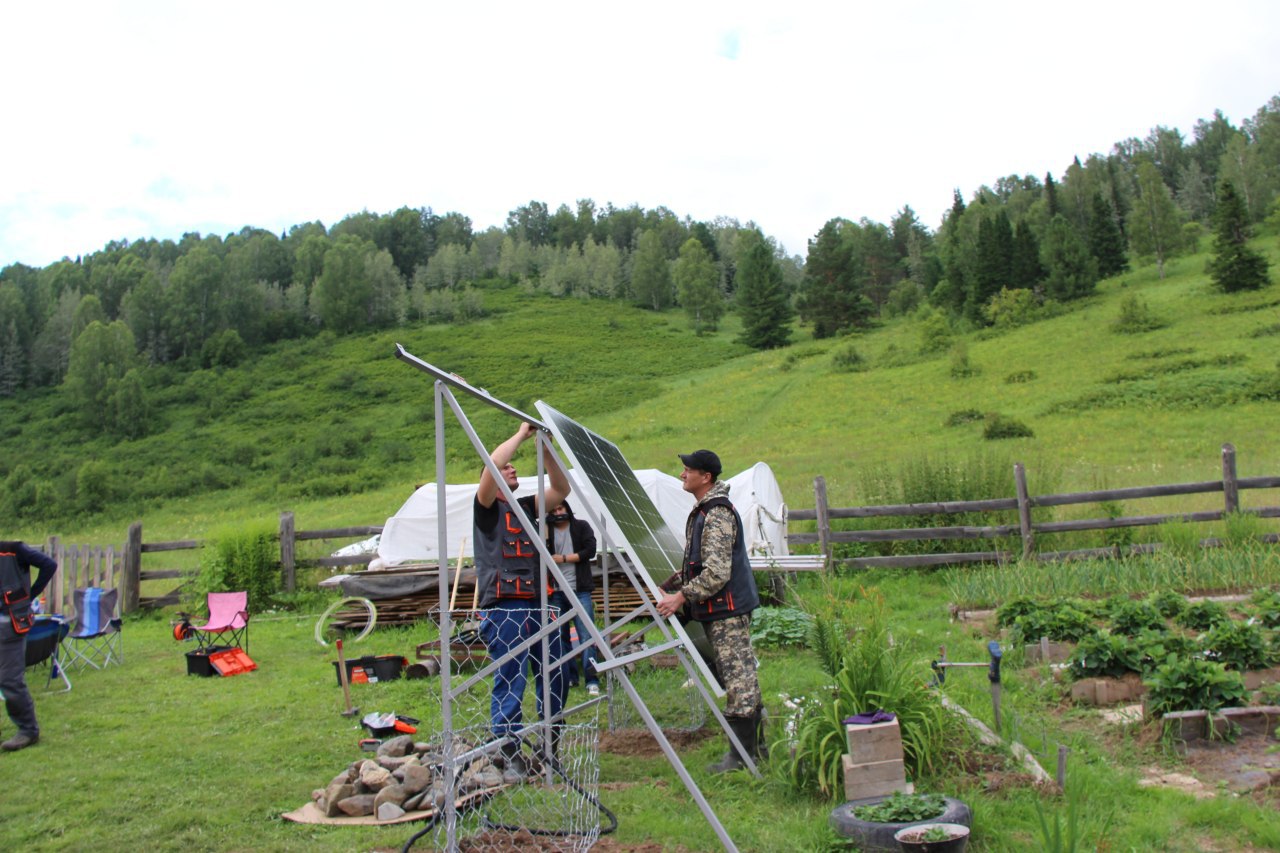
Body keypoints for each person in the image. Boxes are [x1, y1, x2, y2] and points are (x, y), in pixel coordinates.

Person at [656, 449, 763, 773]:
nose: (681, 475)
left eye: (688, 470)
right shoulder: (707, 509)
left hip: (727, 610)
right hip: (724, 608)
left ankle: (742, 759)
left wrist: (681, 597)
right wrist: (679, 581)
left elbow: (717, 572)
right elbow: (705, 564)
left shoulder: (716, 513)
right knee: (740, 676)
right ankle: (754, 752)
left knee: (738, 679)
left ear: (706, 477)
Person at [473, 422, 569, 778]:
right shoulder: (485, 507)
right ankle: (509, 751)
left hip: (540, 600)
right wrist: (520, 434)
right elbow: (491, 463)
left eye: (512, 465)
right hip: (506, 603)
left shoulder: (528, 506)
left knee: (555, 672)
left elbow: (561, 487)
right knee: (512, 676)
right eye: (504, 468)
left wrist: (545, 451)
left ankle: (550, 747)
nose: (512, 468)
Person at [1, 540, 59, 752]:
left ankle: (28, 731)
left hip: (12, 625)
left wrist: (29, 595)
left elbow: (49, 565)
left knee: (9, 680)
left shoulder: (13, 549)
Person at [545, 500, 599, 696]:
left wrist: (566, 558)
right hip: (555, 591)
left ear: (567, 508)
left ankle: (592, 679)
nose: (558, 512)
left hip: (579, 588)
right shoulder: (546, 530)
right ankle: (570, 677)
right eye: (554, 510)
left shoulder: (581, 526)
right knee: (560, 636)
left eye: (561, 508)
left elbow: (590, 550)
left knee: (587, 634)